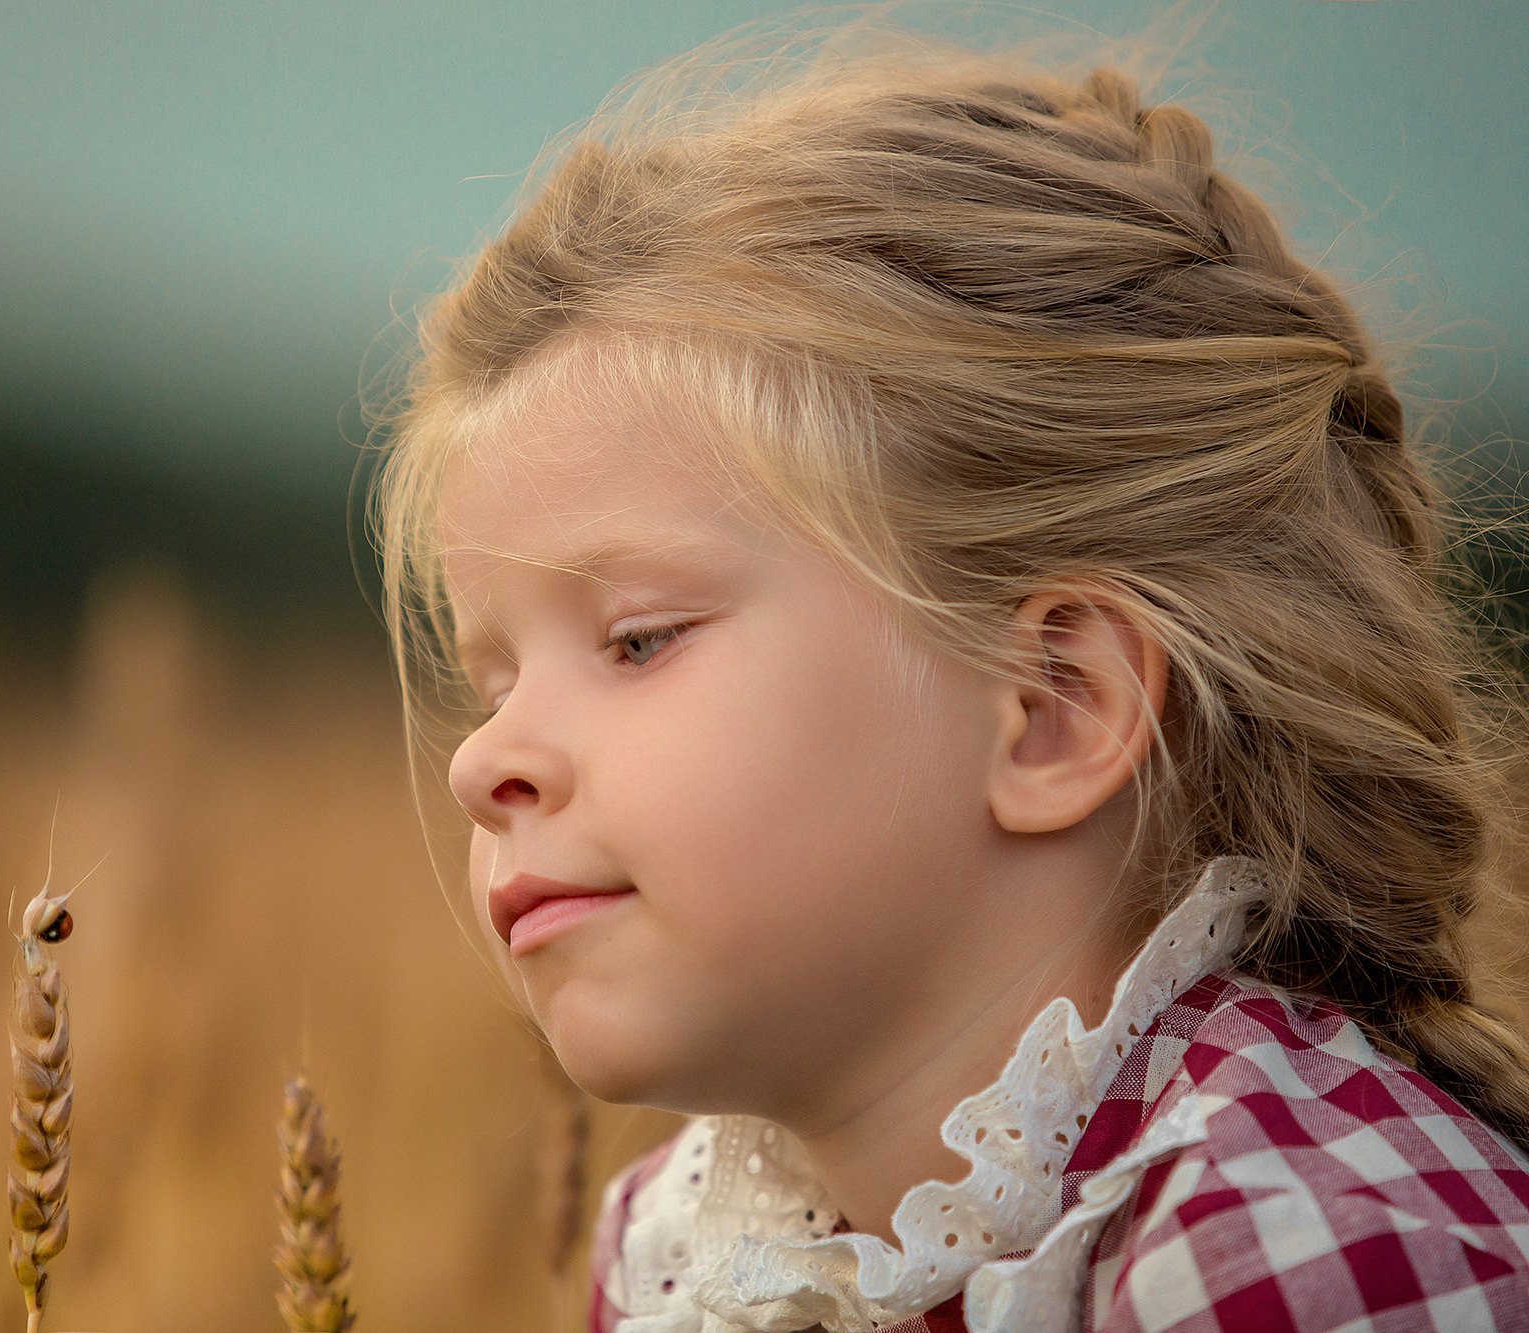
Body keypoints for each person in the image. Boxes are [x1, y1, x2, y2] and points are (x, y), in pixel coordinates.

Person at [367, 16, 1529, 1331]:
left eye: (639, 639)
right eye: (494, 684)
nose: (481, 761)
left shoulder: (1307, 1255)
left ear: (1053, 709)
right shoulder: (684, 1261)